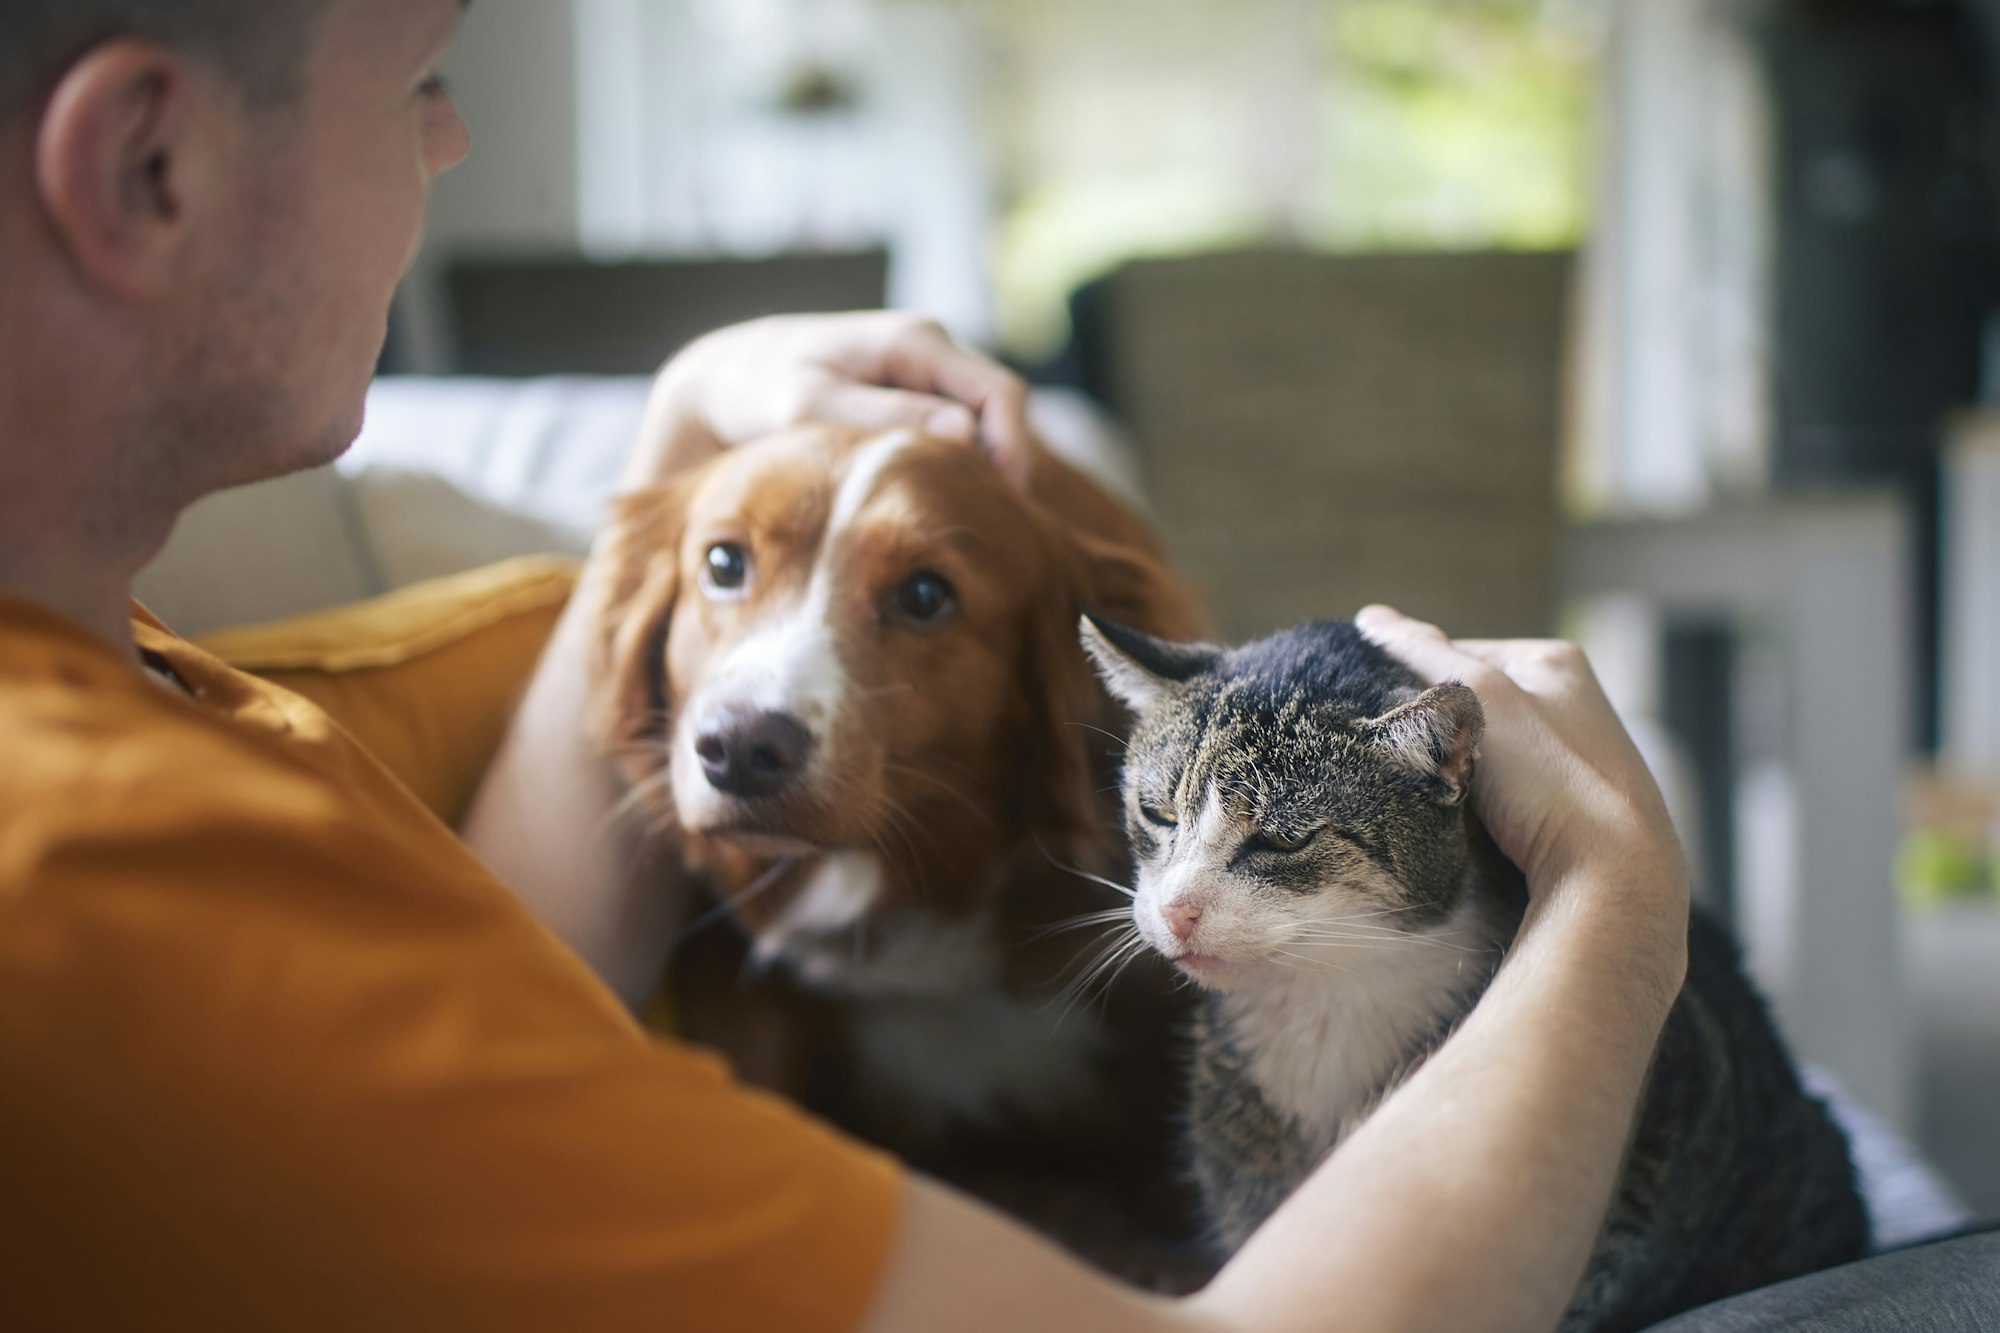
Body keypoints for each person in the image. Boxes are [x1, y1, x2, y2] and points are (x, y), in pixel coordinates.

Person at [1, 2, 1975, 1330]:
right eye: (416, 73)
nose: (447, 131)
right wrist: (1620, 904)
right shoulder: (99, 896)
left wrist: (694, 424)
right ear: (149, 164)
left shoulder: (118, 665)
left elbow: (513, 959)